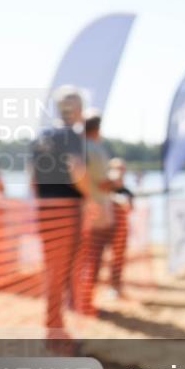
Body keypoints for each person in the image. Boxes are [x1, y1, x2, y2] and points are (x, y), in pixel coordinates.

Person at [30, 86, 90, 331]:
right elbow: (77, 171)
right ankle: (55, 328)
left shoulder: (41, 138)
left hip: (45, 208)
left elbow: (33, 179)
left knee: (52, 269)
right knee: (62, 271)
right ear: (76, 110)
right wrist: (91, 197)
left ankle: (56, 324)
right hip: (67, 210)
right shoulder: (74, 136)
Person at [76, 112, 114, 314]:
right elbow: (103, 182)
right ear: (97, 129)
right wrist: (116, 182)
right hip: (96, 208)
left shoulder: (76, 147)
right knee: (94, 255)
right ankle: (86, 300)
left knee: (80, 256)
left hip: (80, 209)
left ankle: (78, 299)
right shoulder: (95, 150)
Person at [107, 157, 134, 299]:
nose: (120, 172)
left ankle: (115, 286)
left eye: (122, 168)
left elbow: (130, 208)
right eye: (117, 168)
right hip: (101, 230)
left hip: (119, 232)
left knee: (117, 260)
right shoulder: (103, 190)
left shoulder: (126, 191)